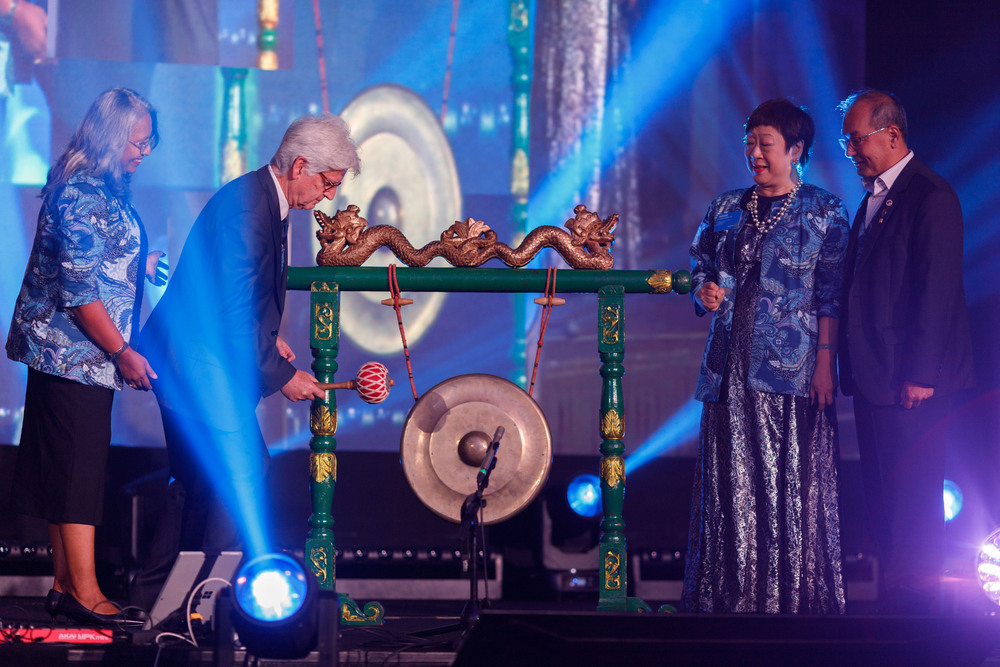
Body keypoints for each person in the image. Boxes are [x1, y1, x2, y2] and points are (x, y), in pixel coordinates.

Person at [137, 113, 360, 588]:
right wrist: (283, 375)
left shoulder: (261, 200)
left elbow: (229, 295)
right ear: (299, 166)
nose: (329, 197)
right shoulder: (248, 210)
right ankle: (206, 596)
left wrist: (268, 336)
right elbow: (232, 314)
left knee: (196, 482)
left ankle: (156, 598)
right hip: (194, 363)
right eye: (327, 183)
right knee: (243, 470)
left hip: (191, 359)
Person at [683, 99, 848, 614]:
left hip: (792, 369)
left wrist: (825, 362)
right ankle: (729, 598)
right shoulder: (726, 207)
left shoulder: (824, 211)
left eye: (766, 144)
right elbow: (698, 264)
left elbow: (832, 295)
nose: (754, 153)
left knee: (786, 480)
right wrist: (703, 289)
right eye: (749, 143)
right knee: (730, 481)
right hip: (728, 368)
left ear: (796, 150)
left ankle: (788, 600)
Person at [5, 87, 163, 626]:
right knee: (78, 474)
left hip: (78, 358)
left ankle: (64, 584)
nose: (145, 151)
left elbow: (96, 257)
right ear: (112, 137)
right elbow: (79, 293)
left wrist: (137, 262)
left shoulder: (101, 188)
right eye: (138, 142)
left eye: (150, 142)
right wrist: (123, 352)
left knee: (65, 469)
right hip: (75, 357)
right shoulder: (80, 194)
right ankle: (87, 592)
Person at [837, 90, 973, 615]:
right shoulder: (875, 196)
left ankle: (919, 619)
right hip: (876, 375)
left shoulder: (929, 194)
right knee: (885, 498)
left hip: (912, 382)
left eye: (857, 140)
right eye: (847, 142)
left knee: (913, 500)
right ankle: (895, 612)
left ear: (891, 134)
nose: (852, 151)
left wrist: (921, 373)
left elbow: (935, 290)